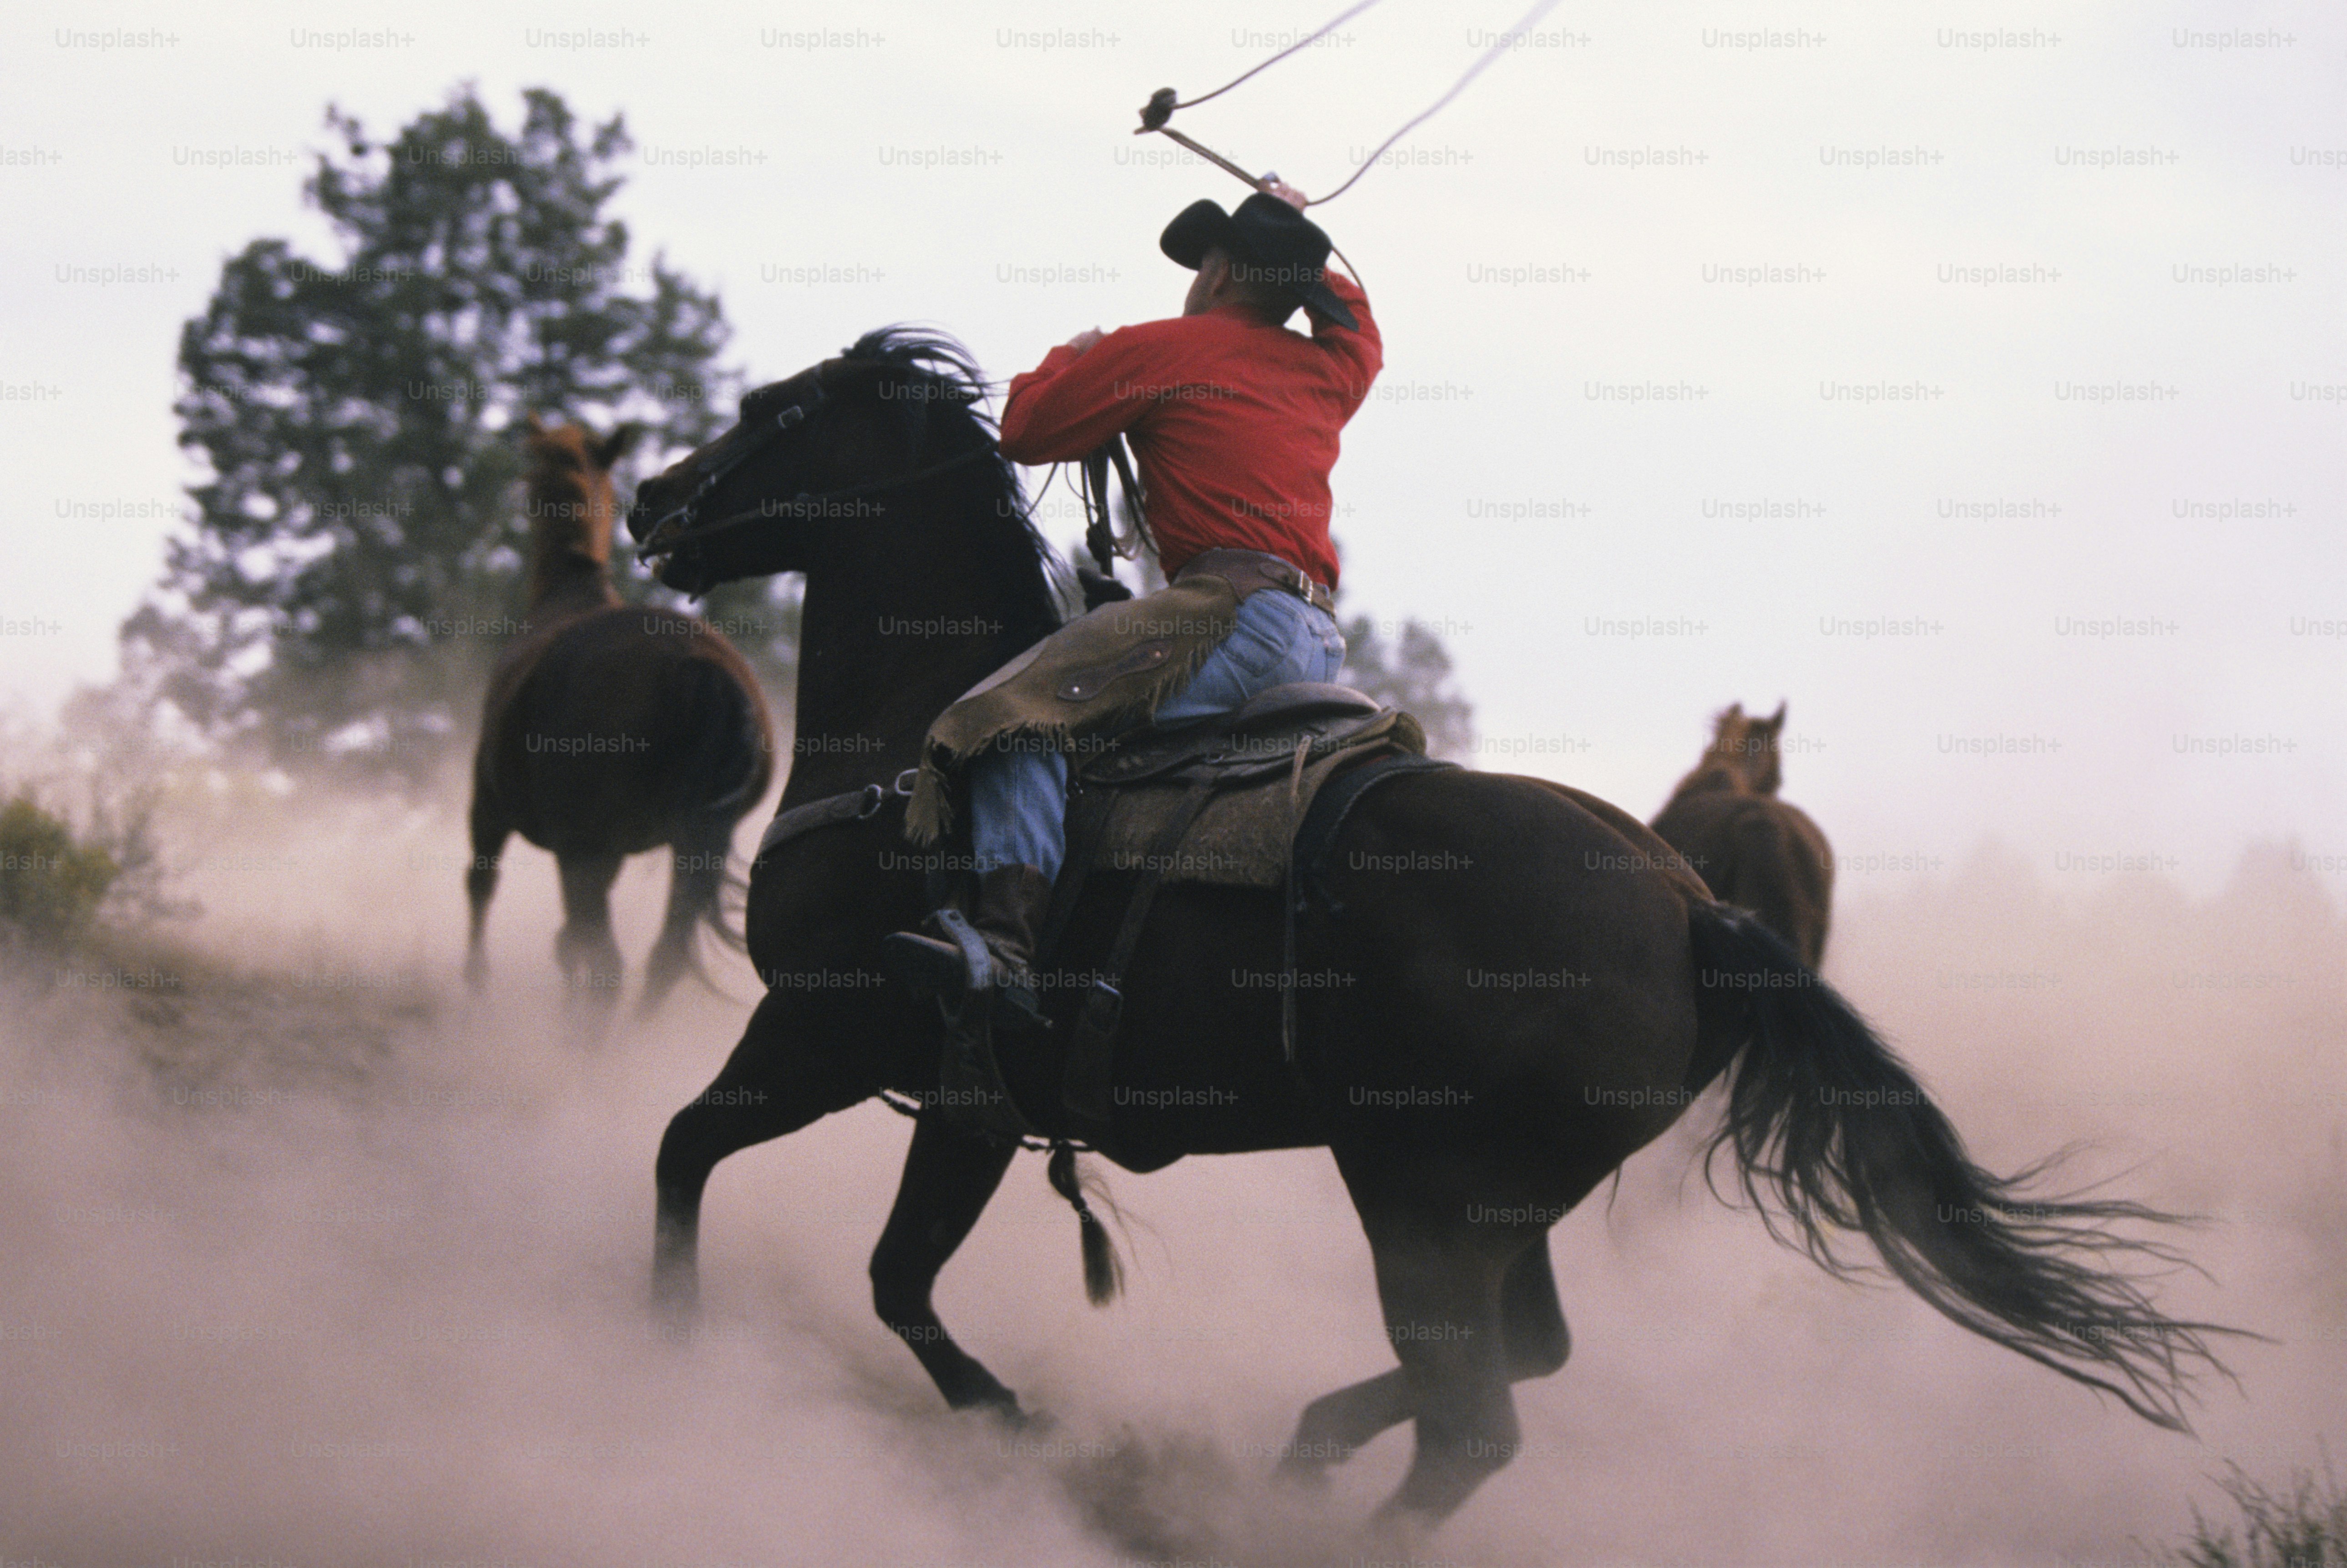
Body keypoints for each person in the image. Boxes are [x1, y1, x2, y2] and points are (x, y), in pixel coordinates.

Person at [890, 181, 1382, 1020]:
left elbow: (1026, 432)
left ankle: (1006, 948)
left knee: (1012, 718)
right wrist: (1298, 239)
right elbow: (1359, 324)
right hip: (1316, 641)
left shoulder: (1158, 349)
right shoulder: (1330, 370)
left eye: (1208, 261)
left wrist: (1068, 357)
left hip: (1228, 620)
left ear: (1221, 275)